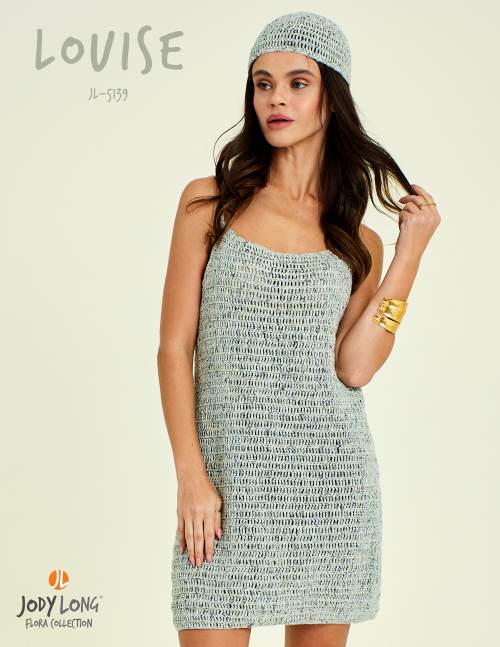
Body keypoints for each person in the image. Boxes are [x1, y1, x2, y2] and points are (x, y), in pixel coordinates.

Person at [157, 11, 440, 647]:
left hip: (331, 493)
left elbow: (355, 368)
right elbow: (174, 348)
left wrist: (410, 254)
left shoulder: (356, 239)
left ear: (330, 98)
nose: (276, 98)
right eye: (263, 83)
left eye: (296, 82)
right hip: (225, 490)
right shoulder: (210, 203)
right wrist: (191, 477)